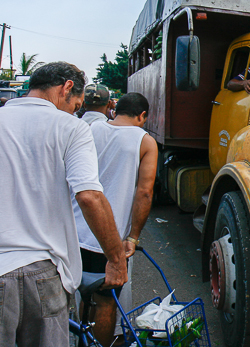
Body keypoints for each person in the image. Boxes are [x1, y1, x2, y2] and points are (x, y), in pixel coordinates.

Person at [0, 62, 127, 345]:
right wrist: (117, 259)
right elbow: (89, 196)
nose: (75, 111)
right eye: (76, 105)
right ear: (66, 87)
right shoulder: (71, 127)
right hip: (41, 272)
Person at [72, 92, 158, 346]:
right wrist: (133, 236)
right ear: (142, 116)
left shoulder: (92, 128)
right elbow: (144, 192)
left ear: (114, 109)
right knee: (106, 301)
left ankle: (82, 341)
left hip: (75, 232)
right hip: (107, 237)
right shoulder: (145, 141)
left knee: (83, 296)